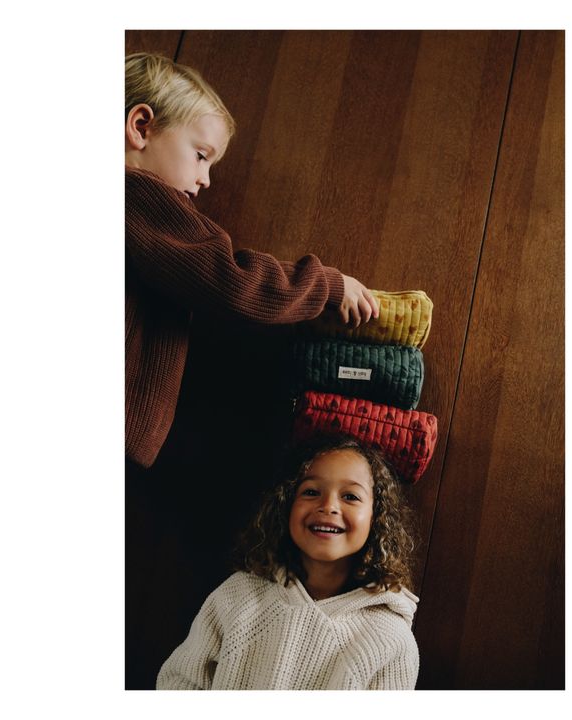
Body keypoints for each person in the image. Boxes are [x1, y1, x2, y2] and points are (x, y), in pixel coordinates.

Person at [125, 53, 379, 469]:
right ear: (141, 127)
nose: (205, 179)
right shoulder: (140, 196)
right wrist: (328, 285)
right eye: (201, 155)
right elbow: (231, 281)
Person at [156, 437, 420, 690]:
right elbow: (180, 681)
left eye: (350, 496)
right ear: (286, 506)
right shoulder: (237, 595)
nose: (328, 506)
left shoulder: (391, 639)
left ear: (376, 516)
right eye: (311, 492)